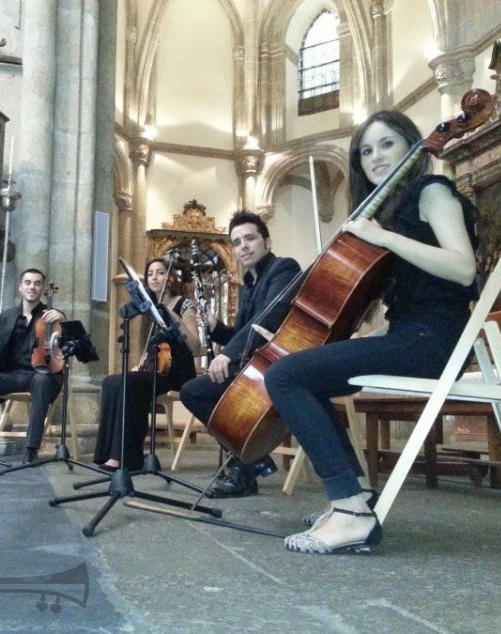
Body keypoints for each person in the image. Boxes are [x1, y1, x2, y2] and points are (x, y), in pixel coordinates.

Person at [264, 110, 479, 554]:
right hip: (411, 335)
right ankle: (356, 497)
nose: (376, 157)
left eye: (387, 144)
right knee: (305, 377)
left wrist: (384, 239)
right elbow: (415, 292)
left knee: (287, 376)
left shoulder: (431, 190)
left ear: (410, 146)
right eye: (365, 151)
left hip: (435, 342)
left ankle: (349, 508)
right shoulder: (397, 211)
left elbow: (462, 269)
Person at [179, 210, 302, 498]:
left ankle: (246, 465)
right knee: (194, 391)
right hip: (253, 366)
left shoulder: (284, 268)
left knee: (197, 393)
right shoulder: (247, 284)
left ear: (267, 242)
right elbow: (241, 334)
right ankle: (251, 459)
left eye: (250, 238)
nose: (243, 246)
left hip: (276, 366)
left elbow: (268, 320)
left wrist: (227, 356)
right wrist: (214, 327)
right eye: (236, 242)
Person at [93, 257, 201, 471]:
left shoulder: (183, 304)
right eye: (150, 273)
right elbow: (154, 348)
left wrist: (172, 316)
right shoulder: (149, 307)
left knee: (131, 385)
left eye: (160, 272)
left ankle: (126, 457)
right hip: (159, 369)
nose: (154, 277)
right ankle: (108, 453)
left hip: (178, 372)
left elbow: (196, 347)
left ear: (170, 278)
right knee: (111, 382)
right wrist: (140, 365)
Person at [0, 268, 65, 464]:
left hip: (38, 375)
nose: (32, 287)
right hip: (10, 375)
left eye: (37, 283)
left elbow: (63, 344)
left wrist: (61, 318)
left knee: (41, 380)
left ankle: (32, 450)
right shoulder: (7, 317)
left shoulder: (52, 316)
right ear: (20, 287)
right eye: (27, 282)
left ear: (43, 288)